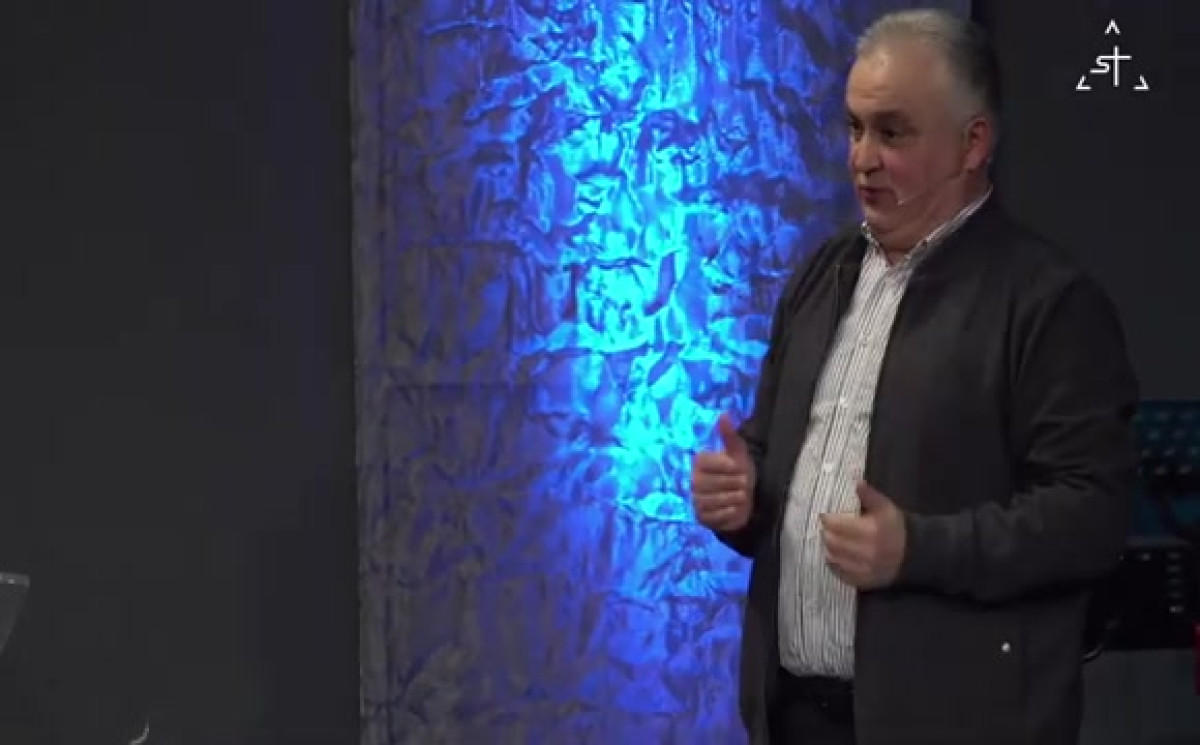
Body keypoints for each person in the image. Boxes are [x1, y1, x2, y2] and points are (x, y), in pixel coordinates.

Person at [690, 9, 1138, 745]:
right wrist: (743, 501)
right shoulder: (821, 278)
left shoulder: (1048, 302)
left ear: (973, 143)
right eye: (854, 128)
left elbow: (1090, 519)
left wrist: (917, 549)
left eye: (892, 133)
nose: (862, 158)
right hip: (797, 718)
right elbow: (776, 467)